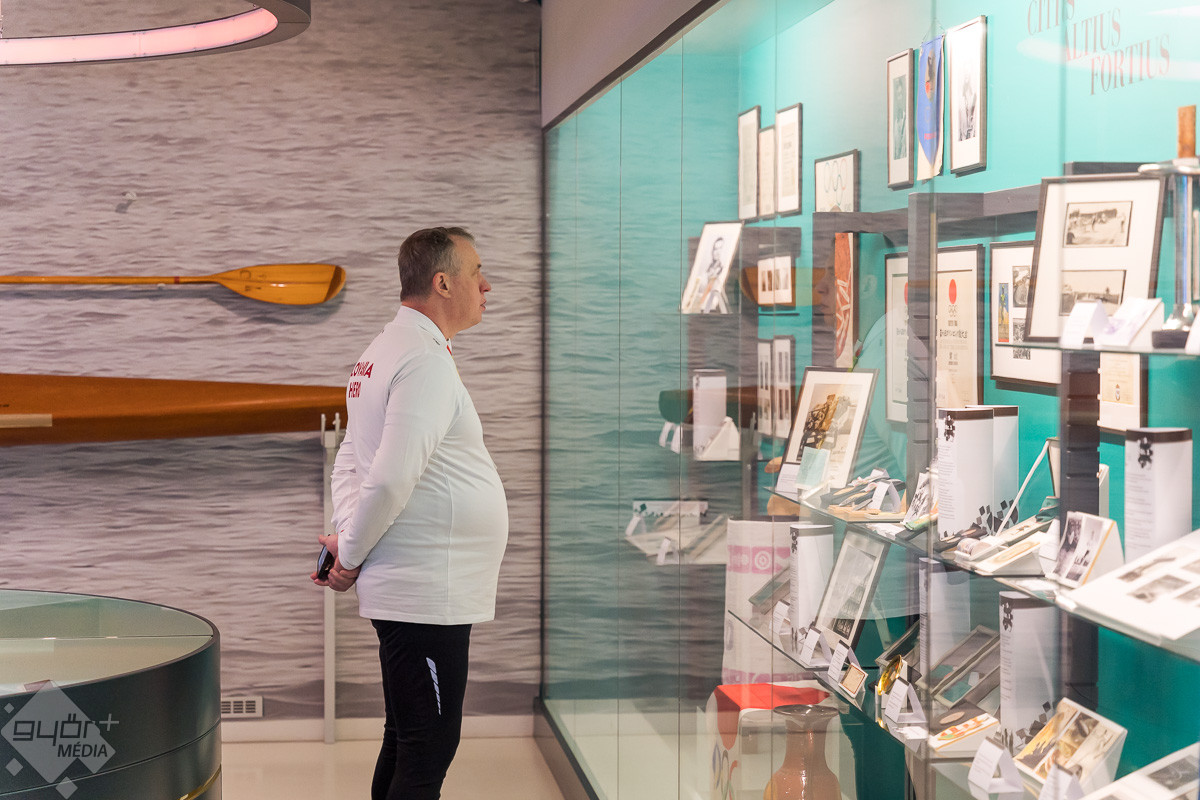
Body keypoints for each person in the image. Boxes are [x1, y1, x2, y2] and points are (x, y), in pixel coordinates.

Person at [312, 226, 509, 800]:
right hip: (426, 590)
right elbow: (389, 476)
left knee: (406, 737)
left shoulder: (382, 353)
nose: (487, 286)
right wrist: (350, 555)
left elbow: (352, 457)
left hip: (421, 585)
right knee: (427, 747)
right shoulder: (422, 360)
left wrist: (348, 539)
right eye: (477, 273)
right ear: (443, 283)